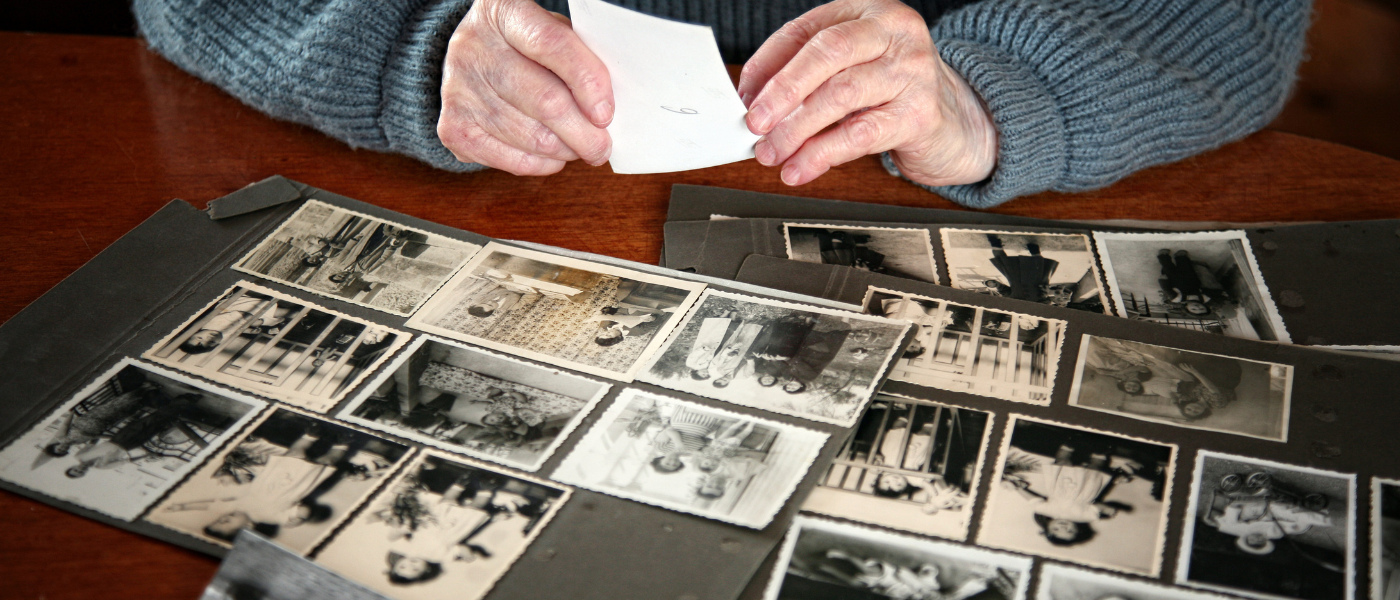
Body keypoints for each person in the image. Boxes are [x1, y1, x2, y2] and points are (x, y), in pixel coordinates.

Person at [134, 0, 1309, 209]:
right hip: (514, 193)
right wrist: (419, 42)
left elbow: (1231, 11)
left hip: (944, 198)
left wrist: (996, 88)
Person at [166, 428, 354, 543]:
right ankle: (342, 444)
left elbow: (208, 504)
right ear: (247, 527)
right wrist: (300, 518)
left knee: (294, 452)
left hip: (275, 474)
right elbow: (300, 512)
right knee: (326, 462)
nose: (222, 517)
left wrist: (182, 506)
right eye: (226, 522)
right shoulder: (271, 518)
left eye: (218, 519)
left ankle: (311, 434)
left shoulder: (236, 507)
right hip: (301, 483)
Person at [1003, 445, 1135, 547]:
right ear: (1078, 530)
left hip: (1059, 487)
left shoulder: (1047, 511)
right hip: (1087, 490)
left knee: (1061, 462)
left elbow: (1033, 501)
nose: (1062, 526)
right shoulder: (1084, 517)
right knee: (1095, 468)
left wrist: (1018, 488)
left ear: (1047, 528)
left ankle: (1068, 445)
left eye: (1056, 529)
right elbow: (1096, 507)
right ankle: (1099, 452)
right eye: (1069, 531)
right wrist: (1107, 509)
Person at [178, 293, 294, 355]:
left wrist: (252, 324)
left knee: (275, 315)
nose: (209, 337)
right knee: (269, 321)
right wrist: (248, 330)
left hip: (238, 306)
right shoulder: (222, 338)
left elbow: (238, 315)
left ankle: (294, 314)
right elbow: (236, 330)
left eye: (200, 337)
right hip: (247, 318)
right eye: (211, 342)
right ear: (216, 344)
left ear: (195, 332)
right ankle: (285, 318)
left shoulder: (212, 324)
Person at [983, 235, 1058, 304]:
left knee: (1003, 262)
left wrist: (995, 284)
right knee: (1038, 265)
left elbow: (1005, 291)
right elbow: (1048, 300)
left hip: (1016, 278)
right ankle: (1035, 251)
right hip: (1036, 283)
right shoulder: (1039, 308)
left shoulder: (1014, 304)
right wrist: (1046, 293)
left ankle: (995, 244)